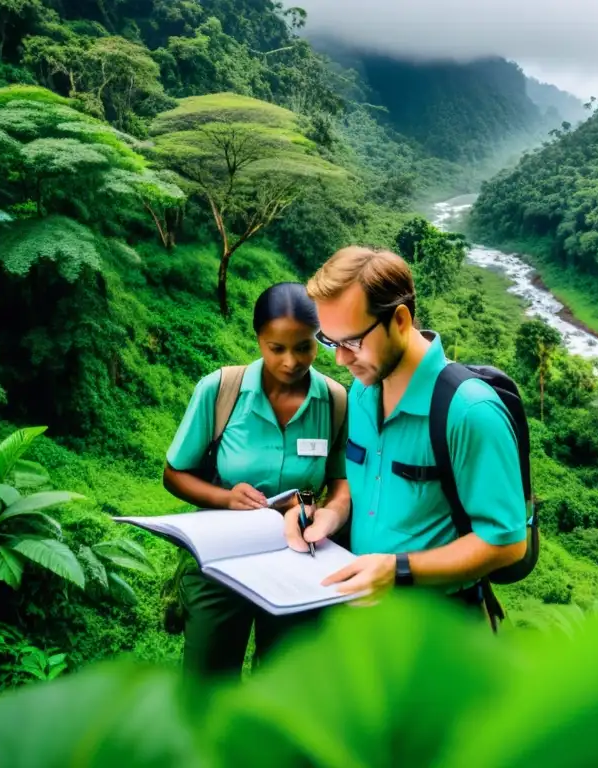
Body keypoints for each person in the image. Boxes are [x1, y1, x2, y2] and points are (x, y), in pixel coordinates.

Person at [300, 245, 527, 624]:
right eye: (330, 341)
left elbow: (506, 543)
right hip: (363, 615)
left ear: (400, 320)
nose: (340, 359)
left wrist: (399, 570)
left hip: (438, 625)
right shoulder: (362, 391)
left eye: (352, 342)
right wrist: (329, 516)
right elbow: (371, 494)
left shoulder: (470, 411)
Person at [162, 282, 351, 677]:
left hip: (296, 564)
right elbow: (174, 474)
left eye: (303, 346)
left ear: (319, 339)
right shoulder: (221, 391)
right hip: (220, 564)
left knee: (283, 684)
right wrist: (226, 497)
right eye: (276, 348)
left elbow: (340, 483)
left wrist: (324, 512)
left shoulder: (334, 402)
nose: (290, 361)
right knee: (207, 683)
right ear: (258, 339)